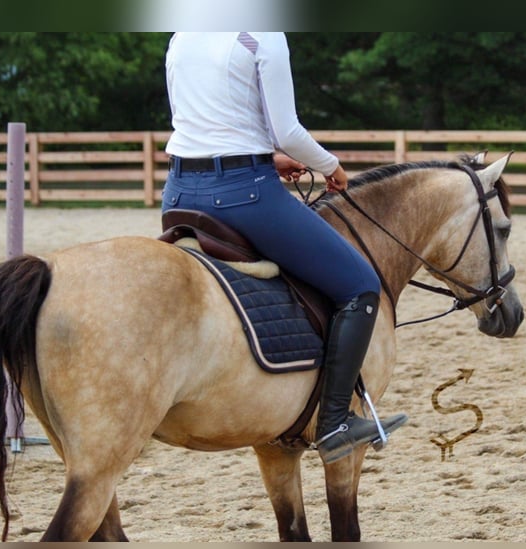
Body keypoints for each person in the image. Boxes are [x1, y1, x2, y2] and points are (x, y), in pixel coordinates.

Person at [162, 32, 407, 464]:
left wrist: (266, 157)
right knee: (361, 286)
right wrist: (330, 166)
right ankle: (335, 422)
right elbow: (288, 131)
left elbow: (200, 121)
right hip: (244, 196)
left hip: (179, 193)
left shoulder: (184, 32)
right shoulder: (263, 35)